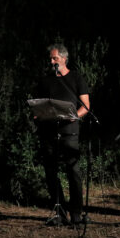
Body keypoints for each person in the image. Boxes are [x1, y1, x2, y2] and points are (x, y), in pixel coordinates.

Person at [35, 43, 90, 226]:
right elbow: (38, 104)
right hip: (49, 131)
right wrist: (38, 114)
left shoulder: (76, 78)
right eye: (50, 59)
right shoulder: (45, 81)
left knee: (73, 171)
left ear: (64, 59)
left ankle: (76, 212)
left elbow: (86, 106)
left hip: (69, 131)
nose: (52, 62)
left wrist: (75, 116)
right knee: (51, 172)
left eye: (55, 59)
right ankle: (59, 211)